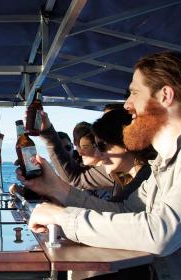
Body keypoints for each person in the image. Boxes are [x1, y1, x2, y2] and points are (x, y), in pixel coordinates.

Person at [23, 52, 181, 279]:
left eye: (135, 93)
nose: (127, 104)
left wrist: (62, 217)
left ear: (165, 95)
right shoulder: (164, 163)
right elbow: (127, 211)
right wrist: (58, 189)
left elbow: (161, 233)